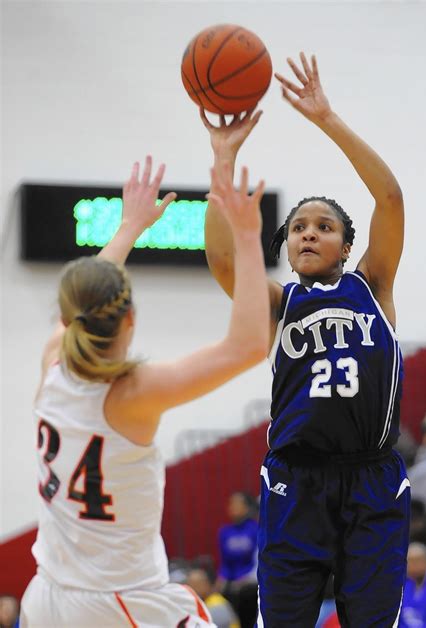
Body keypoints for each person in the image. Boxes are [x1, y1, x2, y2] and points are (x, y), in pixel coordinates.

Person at [201, 52, 409, 626]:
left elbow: (389, 197)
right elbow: (220, 258)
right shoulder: (278, 302)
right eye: (298, 228)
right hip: (296, 480)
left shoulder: (374, 285)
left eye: (324, 227)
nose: (309, 233)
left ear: (346, 245)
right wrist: (224, 157)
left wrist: (326, 118)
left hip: (372, 478)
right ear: (287, 246)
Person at [20, 156, 270, 627]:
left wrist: (128, 227)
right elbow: (251, 344)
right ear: (130, 319)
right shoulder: (134, 392)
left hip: (47, 596)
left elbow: (85, 297)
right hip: (118, 604)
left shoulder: (53, 360)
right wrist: (248, 235)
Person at [216, 492, 259, 627]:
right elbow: (224, 563)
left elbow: (258, 560)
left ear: (247, 508)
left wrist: (245, 580)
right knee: (221, 596)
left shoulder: (256, 529)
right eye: (231, 504)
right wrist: (220, 580)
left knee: (246, 595)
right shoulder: (225, 532)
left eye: (237, 504)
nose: (232, 507)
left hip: (250, 583)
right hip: (231, 582)